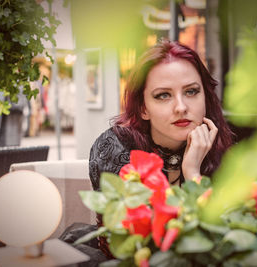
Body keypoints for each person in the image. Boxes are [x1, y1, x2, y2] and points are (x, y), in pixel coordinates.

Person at [88, 39, 234, 258]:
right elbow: (152, 247)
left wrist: (192, 171)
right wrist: (193, 175)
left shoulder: (220, 148)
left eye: (192, 92)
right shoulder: (115, 150)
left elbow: (224, 241)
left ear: (206, 97)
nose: (181, 107)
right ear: (143, 108)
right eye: (163, 95)